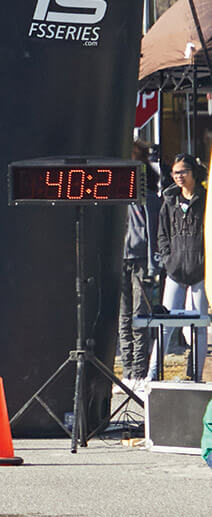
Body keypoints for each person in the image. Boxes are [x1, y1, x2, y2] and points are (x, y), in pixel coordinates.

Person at [158, 152, 207, 379]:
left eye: (183, 172)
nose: (178, 176)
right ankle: (152, 374)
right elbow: (163, 234)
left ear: (193, 173)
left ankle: (195, 374)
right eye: (175, 173)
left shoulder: (206, 200)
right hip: (175, 270)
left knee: (199, 325)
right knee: (165, 325)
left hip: (200, 272)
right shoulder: (169, 201)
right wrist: (168, 259)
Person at [118, 141, 160, 383]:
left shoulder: (149, 199)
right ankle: (126, 371)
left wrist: (155, 263)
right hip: (120, 259)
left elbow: (154, 233)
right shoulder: (115, 194)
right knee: (123, 317)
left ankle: (138, 371)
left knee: (139, 317)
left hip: (141, 260)